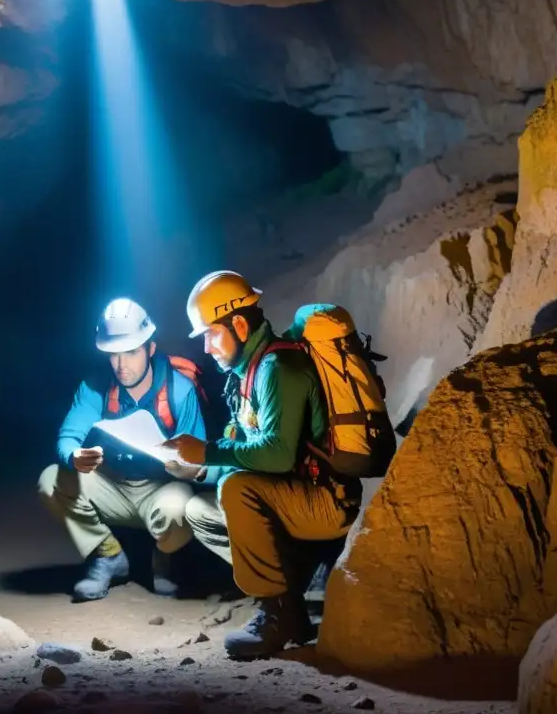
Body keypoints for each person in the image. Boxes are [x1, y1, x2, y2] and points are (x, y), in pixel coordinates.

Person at [162, 271, 365, 658]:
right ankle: (290, 595)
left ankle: (278, 613)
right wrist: (200, 468)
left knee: (236, 489)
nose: (206, 347)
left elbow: (276, 454)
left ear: (239, 324)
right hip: (293, 495)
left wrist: (208, 451)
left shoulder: (279, 370)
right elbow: (242, 447)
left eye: (211, 333)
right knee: (200, 510)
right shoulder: (246, 374)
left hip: (326, 501)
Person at [38, 297, 211, 602]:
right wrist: (74, 457)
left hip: (161, 488)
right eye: (113, 354)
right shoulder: (96, 386)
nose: (121, 364)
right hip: (113, 484)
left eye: (131, 352)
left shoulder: (179, 389)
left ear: (150, 348)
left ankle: (163, 559)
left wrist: (187, 468)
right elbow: (68, 437)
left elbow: (200, 456)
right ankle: (108, 555)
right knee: (51, 481)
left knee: (180, 510)